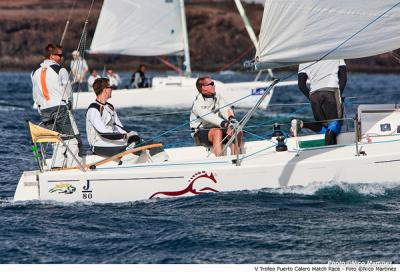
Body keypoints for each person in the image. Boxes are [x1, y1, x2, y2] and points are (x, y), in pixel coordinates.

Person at [86, 77, 168, 162]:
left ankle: (163, 164)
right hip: (99, 145)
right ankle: (124, 166)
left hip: (112, 141)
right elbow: (103, 133)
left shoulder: (110, 107)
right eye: (110, 87)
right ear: (105, 90)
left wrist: (130, 134)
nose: (112, 89)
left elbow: (119, 127)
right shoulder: (94, 109)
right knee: (135, 146)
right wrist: (125, 136)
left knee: (149, 143)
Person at [31, 43, 82, 168]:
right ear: (52, 56)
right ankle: (72, 167)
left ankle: (56, 166)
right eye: (59, 55)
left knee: (57, 140)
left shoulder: (34, 72)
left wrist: (40, 107)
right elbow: (68, 90)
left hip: (44, 110)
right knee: (71, 140)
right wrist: (69, 103)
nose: (61, 57)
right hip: (60, 108)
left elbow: (35, 94)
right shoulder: (61, 70)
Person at [292, 59, 347, 145]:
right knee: (336, 124)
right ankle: (329, 151)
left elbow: (301, 85)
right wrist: (339, 96)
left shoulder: (304, 58)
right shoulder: (337, 54)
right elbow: (343, 78)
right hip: (331, 91)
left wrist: (310, 98)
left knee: (323, 126)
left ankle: (301, 124)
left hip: (314, 95)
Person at [190, 76, 243, 156]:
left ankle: (236, 159)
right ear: (203, 87)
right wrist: (226, 124)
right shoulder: (198, 102)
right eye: (211, 84)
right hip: (199, 132)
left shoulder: (217, 96)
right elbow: (208, 116)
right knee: (217, 132)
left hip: (218, 127)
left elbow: (226, 109)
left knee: (237, 130)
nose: (214, 85)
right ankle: (220, 161)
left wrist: (231, 121)